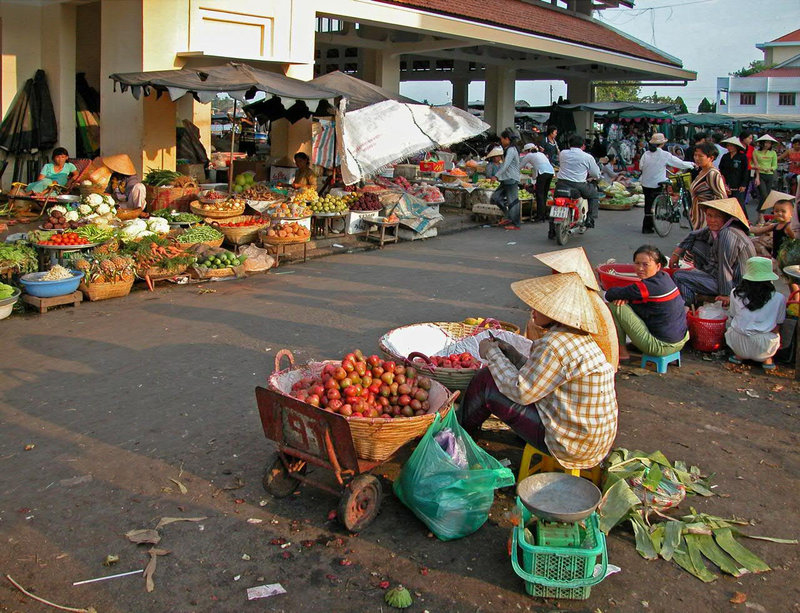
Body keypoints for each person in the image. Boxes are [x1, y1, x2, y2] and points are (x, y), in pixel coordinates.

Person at [461, 273, 617, 470]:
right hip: (593, 442)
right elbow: (543, 376)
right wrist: (513, 355)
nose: (532, 310)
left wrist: (492, 353)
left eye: (540, 307)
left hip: (569, 446)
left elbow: (521, 392)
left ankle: (461, 439)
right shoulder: (577, 337)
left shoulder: (553, 344)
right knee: (494, 375)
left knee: (485, 381)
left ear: (555, 313)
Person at [605, 245, 689, 361]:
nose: (640, 268)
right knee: (625, 304)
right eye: (637, 263)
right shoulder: (665, 277)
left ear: (658, 266)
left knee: (615, 306)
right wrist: (628, 298)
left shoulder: (646, 286)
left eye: (645, 264)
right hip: (680, 342)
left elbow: (609, 294)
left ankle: (621, 351)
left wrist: (625, 298)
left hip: (661, 346)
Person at [672, 197, 756, 306]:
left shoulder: (727, 234)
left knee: (679, 276)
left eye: (717, 216)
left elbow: (725, 266)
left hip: (737, 284)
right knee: (695, 243)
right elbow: (693, 235)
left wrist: (726, 294)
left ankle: (690, 306)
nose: (712, 220)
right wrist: (676, 253)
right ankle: (703, 282)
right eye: (709, 215)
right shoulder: (720, 227)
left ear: (726, 218)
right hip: (723, 274)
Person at [721, 257, 786, 370]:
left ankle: (738, 356)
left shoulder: (735, 293)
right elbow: (777, 326)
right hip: (764, 347)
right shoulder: (779, 298)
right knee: (775, 331)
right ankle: (767, 359)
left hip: (737, 343)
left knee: (732, 325)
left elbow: (733, 316)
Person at [639, 133, 694, 234]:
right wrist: (692, 164)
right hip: (658, 183)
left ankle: (647, 226)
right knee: (654, 204)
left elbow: (641, 167)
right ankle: (651, 224)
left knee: (648, 203)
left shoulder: (646, 154)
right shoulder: (665, 155)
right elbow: (680, 164)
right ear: (662, 144)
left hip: (645, 183)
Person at [555, 133, 601, 230]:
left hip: (561, 184)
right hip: (578, 185)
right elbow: (596, 173)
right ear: (583, 146)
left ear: (569, 144)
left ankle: (551, 229)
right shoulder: (587, 157)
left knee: (555, 204)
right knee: (594, 195)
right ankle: (590, 219)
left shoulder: (563, 153)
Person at [689, 142, 727, 229]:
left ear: (711, 158)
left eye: (700, 156)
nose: (697, 158)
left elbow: (721, 197)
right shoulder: (701, 172)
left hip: (707, 221)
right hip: (698, 217)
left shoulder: (712, 174)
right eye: (695, 155)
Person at [490, 128, 521, 230]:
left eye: (502, 139)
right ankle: (508, 216)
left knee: (513, 201)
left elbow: (506, 165)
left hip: (511, 178)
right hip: (506, 179)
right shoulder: (508, 149)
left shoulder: (511, 150)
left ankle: (516, 223)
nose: (501, 141)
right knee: (495, 197)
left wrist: (496, 176)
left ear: (507, 139)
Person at [751, 191, 796, 259]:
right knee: (754, 241)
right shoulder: (775, 225)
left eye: (783, 211)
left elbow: (795, 240)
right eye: (776, 211)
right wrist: (746, 226)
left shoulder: (788, 227)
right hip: (775, 253)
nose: (779, 213)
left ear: (791, 214)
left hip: (784, 256)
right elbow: (758, 230)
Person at [520, 144, 554, 222]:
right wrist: (534, 177)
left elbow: (521, 166)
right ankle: (543, 214)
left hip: (543, 173)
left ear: (527, 151)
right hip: (550, 172)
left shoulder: (529, 155)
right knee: (544, 194)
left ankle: (540, 216)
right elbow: (536, 167)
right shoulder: (541, 154)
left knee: (540, 194)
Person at [719, 136, 750, 219]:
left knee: (739, 204)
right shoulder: (725, 156)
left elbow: (745, 171)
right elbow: (721, 169)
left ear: (736, 147)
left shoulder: (742, 157)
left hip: (738, 184)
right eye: (728, 146)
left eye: (731, 146)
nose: (729, 147)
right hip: (727, 183)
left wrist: (743, 184)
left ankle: (745, 221)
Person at [777, 136, 800, 201]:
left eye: (799, 145)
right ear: (793, 145)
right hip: (792, 170)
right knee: (791, 181)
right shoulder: (789, 151)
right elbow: (780, 157)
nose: (797, 146)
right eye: (795, 144)